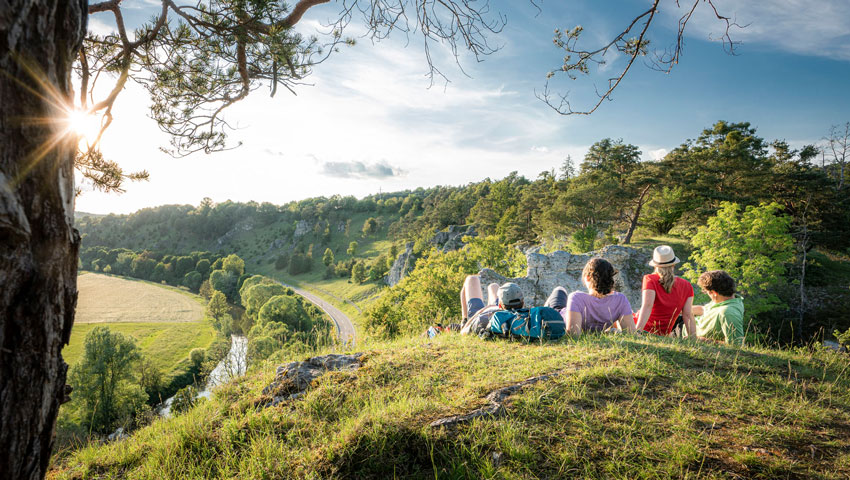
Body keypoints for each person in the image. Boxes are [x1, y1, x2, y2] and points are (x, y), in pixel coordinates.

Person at [562, 258, 636, 335]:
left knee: (560, 290)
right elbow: (631, 333)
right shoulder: (620, 299)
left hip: (558, 314)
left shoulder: (576, 297)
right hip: (567, 310)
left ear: (587, 277)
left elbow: (573, 334)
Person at [634, 245, 696, 336]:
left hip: (643, 328)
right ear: (673, 265)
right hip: (662, 333)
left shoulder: (650, 279)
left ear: (655, 266)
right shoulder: (687, 285)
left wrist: (637, 332)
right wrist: (693, 337)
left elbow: (647, 306)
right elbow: (688, 314)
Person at [690, 270, 745, 345]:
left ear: (714, 293)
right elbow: (704, 309)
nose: (707, 294)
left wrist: (701, 340)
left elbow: (736, 344)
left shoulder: (728, 312)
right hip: (687, 322)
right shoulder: (725, 299)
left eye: (707, 292)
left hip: (685, 334)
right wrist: (681, 309)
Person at [458, 275, 524, 335]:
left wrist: (481, 311)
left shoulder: (482, 319)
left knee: (471, 279)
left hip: (482, 314)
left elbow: (463, 332)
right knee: (493, 286)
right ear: (522, 303)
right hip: (498, 310)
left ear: (500, 305)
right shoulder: (526, 317)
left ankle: (464, 319)